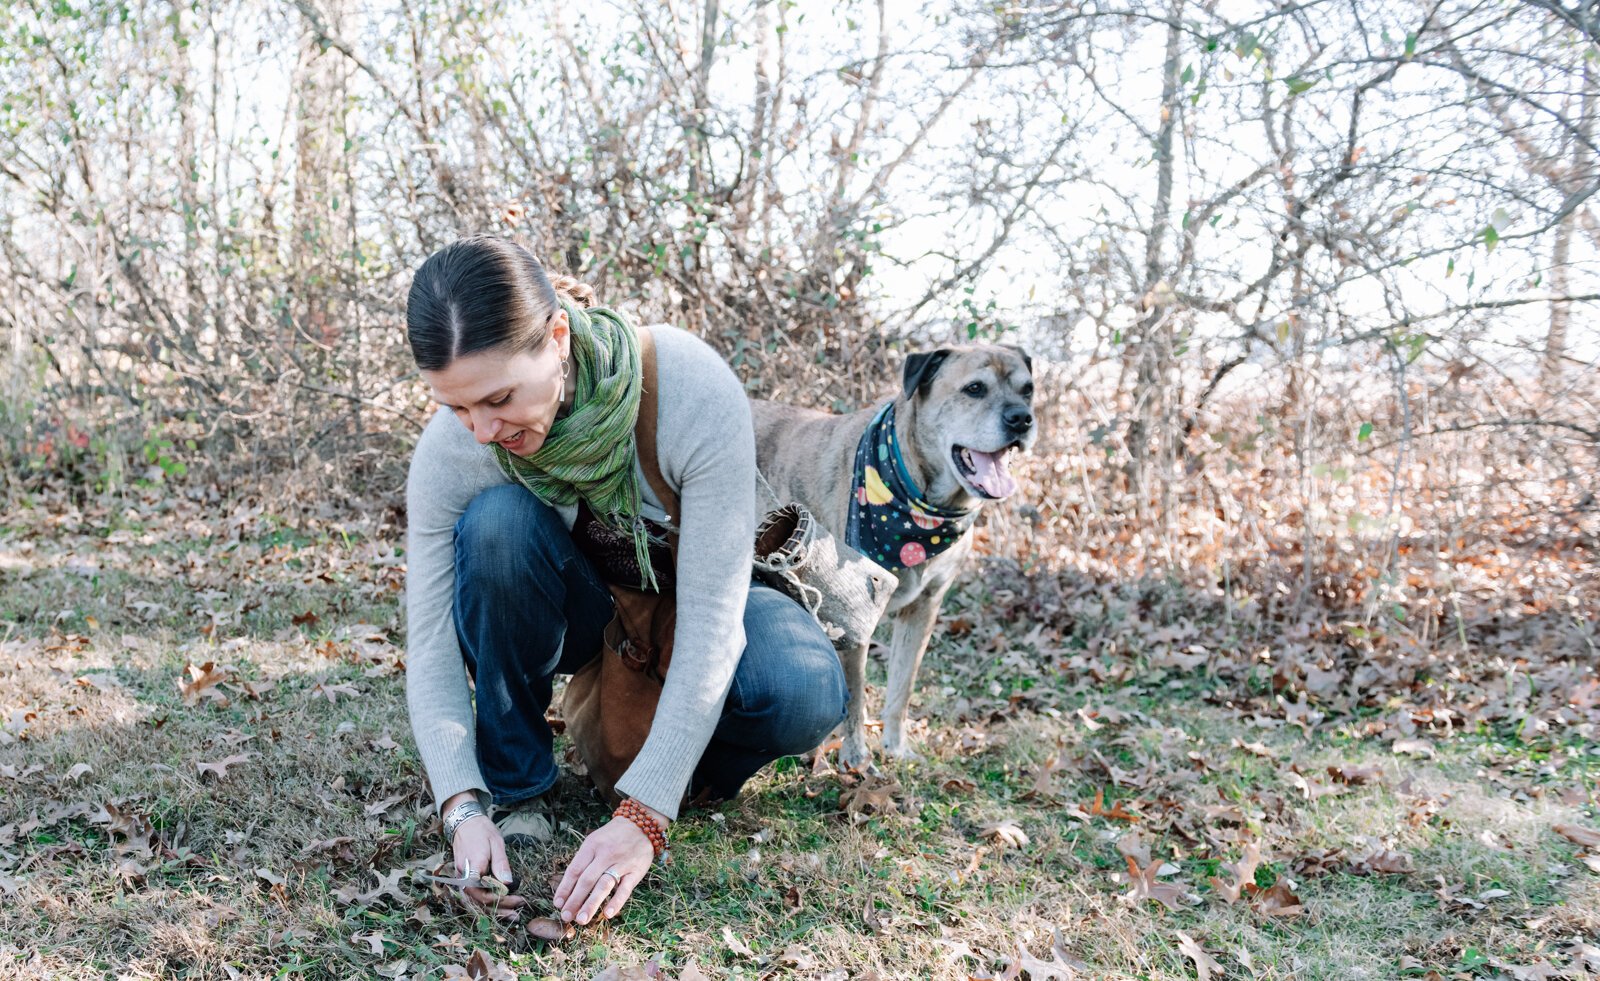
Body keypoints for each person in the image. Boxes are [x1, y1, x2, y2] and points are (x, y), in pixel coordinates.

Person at [402, 234, 848, 929]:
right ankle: (521, 789)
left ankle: (690, 771)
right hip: (586, 617)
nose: (481, 430)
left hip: (696, 600)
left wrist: (646, 809)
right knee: (496, 526)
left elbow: (711, 618)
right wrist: (461, 802)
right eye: (456, 406)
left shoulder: (688, 389)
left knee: (805, 688)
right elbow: (429, 641)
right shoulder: (454, 448)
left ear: (556, 336)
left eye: (498, 397)